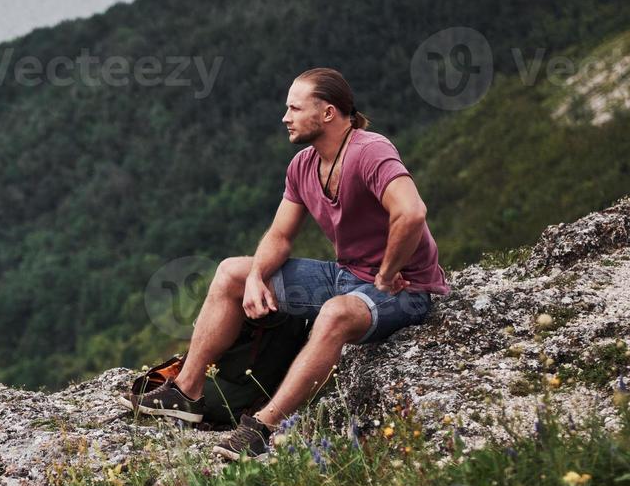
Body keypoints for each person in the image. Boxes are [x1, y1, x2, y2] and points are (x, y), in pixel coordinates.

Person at [121, 67, 451, 460]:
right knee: (231, 272)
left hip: (405, 290)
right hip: (345, 276)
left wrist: (388, 268)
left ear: (328, 113)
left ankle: (263, 427)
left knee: (333, 315)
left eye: (295, 108)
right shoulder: (302, 166)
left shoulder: (369, 151)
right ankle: (186, 391)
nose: (285, 117)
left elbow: (412, 213)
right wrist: (258, 276)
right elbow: (279, 236)